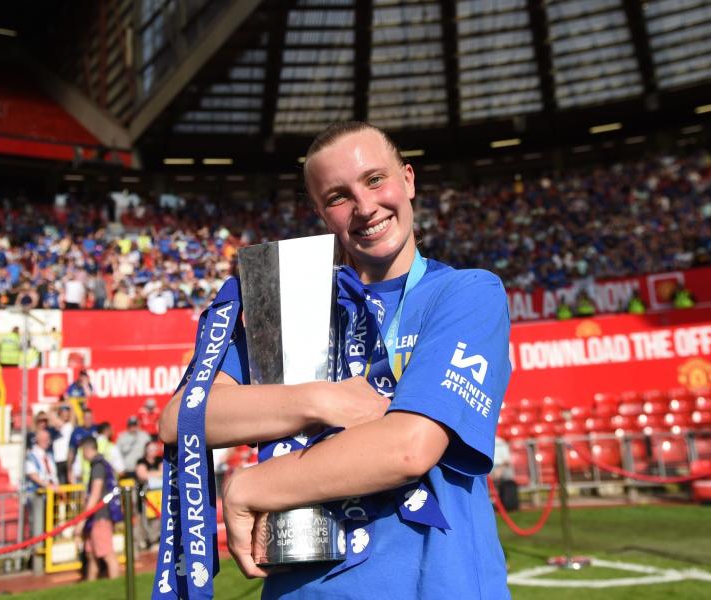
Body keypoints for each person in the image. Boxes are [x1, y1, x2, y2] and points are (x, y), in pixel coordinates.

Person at [159, 122, 511, 598]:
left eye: (374, 180)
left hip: (437, 585)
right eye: (338, 196)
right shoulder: (290, 311)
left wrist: (250, 487)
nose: (365, 208)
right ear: (321, 212)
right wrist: (321, 399)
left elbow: (409, 447)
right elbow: (181, 417)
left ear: (407, 180)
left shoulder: (466, 293)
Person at [77, 436, 121, 580]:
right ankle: (91, 584)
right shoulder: (101, 464)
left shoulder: (97, 466)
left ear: (86, 449)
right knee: (92, 556)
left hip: (100, 516)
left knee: (107, 554)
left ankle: (118, 586)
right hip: (97, 517)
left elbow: (95, 494)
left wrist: (82, 520)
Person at [24, 428, 59, 538]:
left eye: (48, 439)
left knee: (51, 525)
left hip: (51, 497)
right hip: (37, 496)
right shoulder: (30, 456)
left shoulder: (49, 456)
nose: (47, 441)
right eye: (44, 439)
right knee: (37, 527)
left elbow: (53, 475)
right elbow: (33, 475)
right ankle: (37, 552)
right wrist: (48, 486)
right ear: (37, 439)